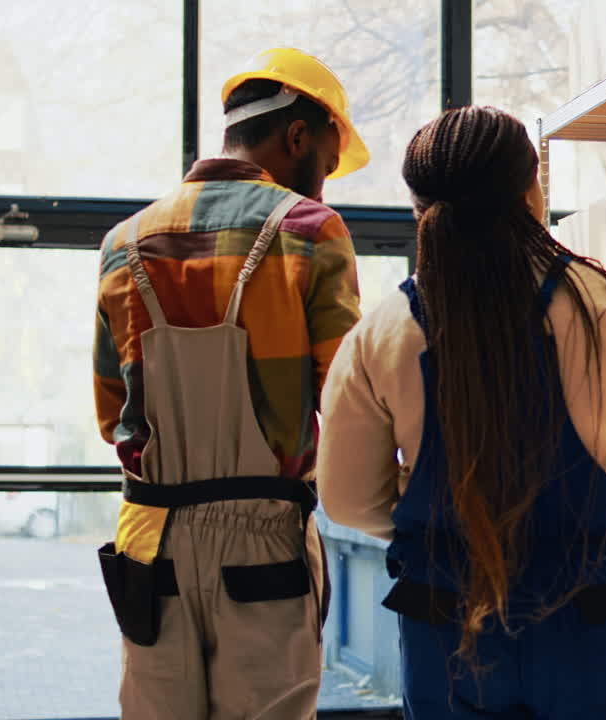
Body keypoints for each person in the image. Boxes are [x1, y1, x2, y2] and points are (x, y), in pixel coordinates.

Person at [316, 106, 606, 719]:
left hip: (449, 626)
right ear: (532, 189)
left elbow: (344, 501)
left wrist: (452, 524)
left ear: (419, 208)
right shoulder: (605, 302)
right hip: (593, 622)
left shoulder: (382, 333)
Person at [92, 48, 367, 719]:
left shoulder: (123, 243)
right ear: (297, 136)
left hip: (150, 541)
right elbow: (347, 401)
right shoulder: (309, 231)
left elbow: (111, 416)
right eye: (327, 161)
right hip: (262, 540)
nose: (323, 183)